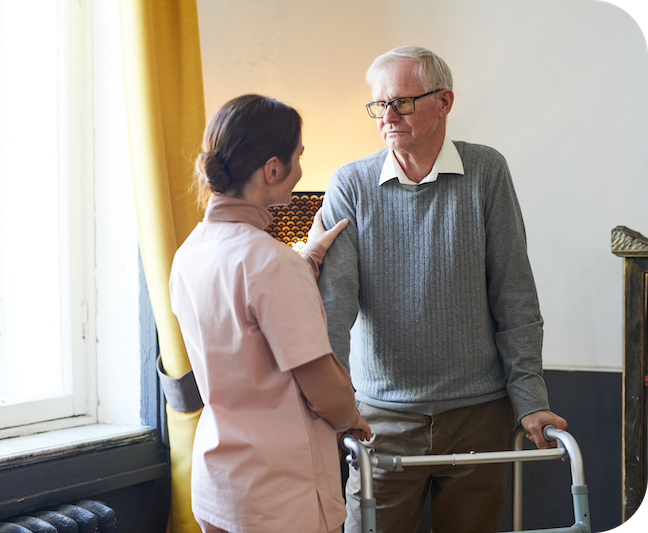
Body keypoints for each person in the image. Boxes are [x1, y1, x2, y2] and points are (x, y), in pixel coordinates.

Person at [317, 46, 568, 533]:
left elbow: (514, 296)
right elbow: (333, 308)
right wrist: (334, 406)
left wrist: (530, 398)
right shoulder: (350, 182)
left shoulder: (486, 172)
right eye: (379, 106)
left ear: (444, 101)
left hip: (479, 413)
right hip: (381, 419)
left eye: (403, 103)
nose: (388, 117)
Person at [169, 94, 371, 533]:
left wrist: (308, 259)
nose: (301, 170)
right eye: (299, 157)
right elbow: (322, 387)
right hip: (282, 495)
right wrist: (351, 416)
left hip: (219, 484)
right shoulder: (271, 263)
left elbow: (245, 321)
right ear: (273, 169)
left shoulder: (189, 253)